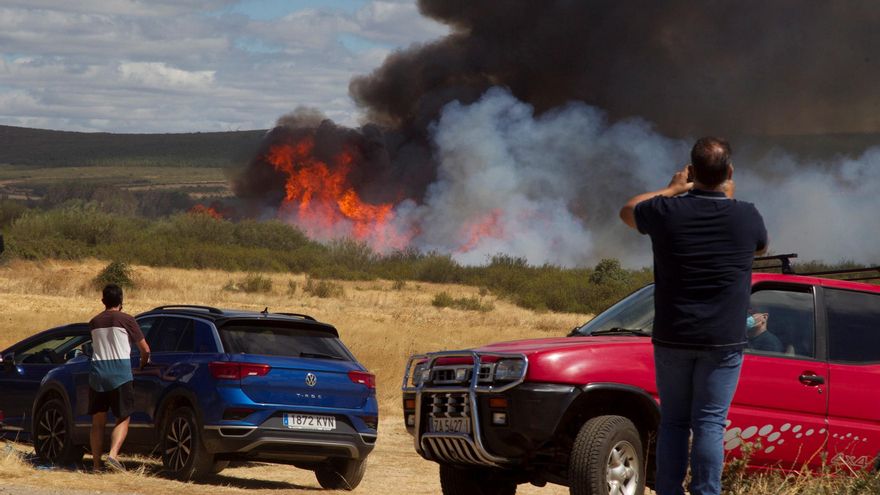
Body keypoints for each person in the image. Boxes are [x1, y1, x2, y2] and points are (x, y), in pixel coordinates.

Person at [619, 137, 767, 495]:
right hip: (723, 339)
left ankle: (668, 490)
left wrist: (671, 190)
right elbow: (761, 246)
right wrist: (727, 201)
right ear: (729, 172)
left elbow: (627, 210)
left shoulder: (665, 211)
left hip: (672, 334)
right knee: (710, 423)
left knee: (673, 422)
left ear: (691, 171)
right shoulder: (745, 214)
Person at [88, 284, 150, 472]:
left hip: (98, 374)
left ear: (103, 301)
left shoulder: (94, 322)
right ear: (121, 301)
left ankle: (97, 466)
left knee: (98, 422)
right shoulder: (127, 320)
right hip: (120, 374)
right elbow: (145, 349)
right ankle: (113, 455)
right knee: (123, 417)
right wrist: (143, 362)